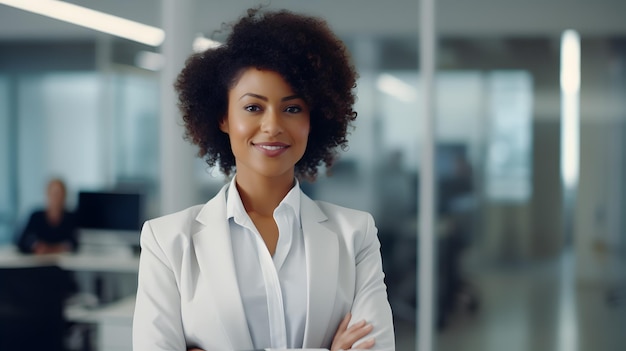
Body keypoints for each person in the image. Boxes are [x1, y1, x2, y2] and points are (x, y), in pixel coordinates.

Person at [133, 7, 395, 351]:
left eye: (292, 108)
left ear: (313, 120)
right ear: (223, 117)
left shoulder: (355, 235)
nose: (273, 126)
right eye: (253, 107)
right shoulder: (168, 242)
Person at [16, 177, 78, 254]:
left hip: (62, 261)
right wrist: (35, 246)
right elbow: (21, 240)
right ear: (47, 194)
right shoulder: (36, 217)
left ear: (64, 196)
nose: (56, 198)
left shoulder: (71, 218)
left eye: (59, 194)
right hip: (39, 261)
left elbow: (75, 243)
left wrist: (58, 248)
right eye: (54, 194)